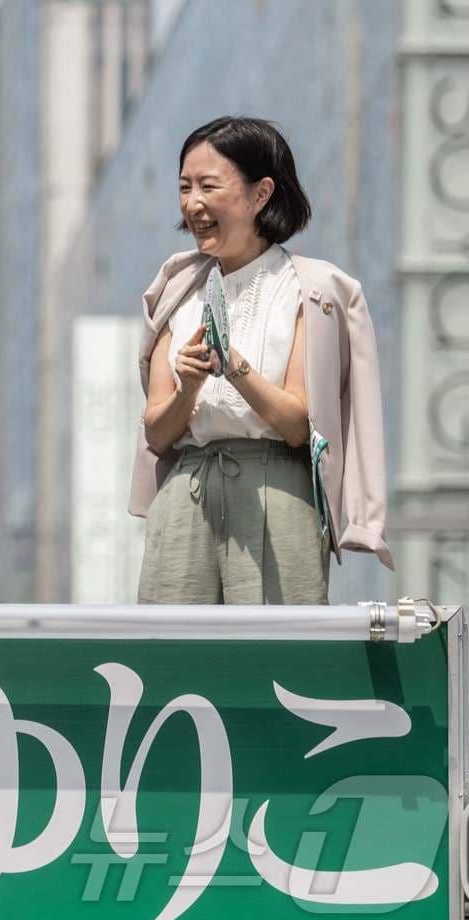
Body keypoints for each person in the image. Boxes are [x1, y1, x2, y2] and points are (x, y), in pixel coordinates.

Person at [130, 116, 393, 605]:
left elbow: (298, 424)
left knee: (275, 657)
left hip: (277, 486)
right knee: (172, 658)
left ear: (261, 193)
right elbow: (157, 432)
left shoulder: (309, 288)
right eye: (184, 187)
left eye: (209, 186)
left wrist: (234, 366)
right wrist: (188, 387)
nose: (193, 204)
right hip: (187, 489)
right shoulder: (177, 288)